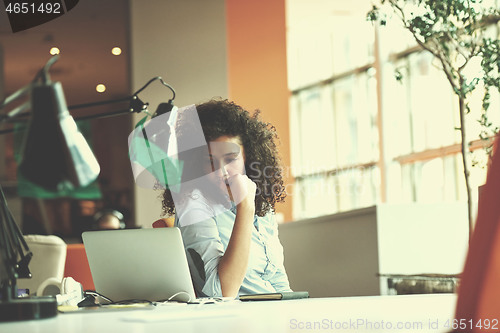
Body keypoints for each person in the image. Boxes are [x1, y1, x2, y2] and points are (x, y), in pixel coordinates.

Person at [161, 99, 291, 298]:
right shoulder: (194, 205)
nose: (221, 171)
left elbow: (278, 282)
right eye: (209, 161)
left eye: (230, 159)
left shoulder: (262, 206)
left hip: (275, 313)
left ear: (250, 156)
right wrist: (245, 209)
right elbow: (222, 292)